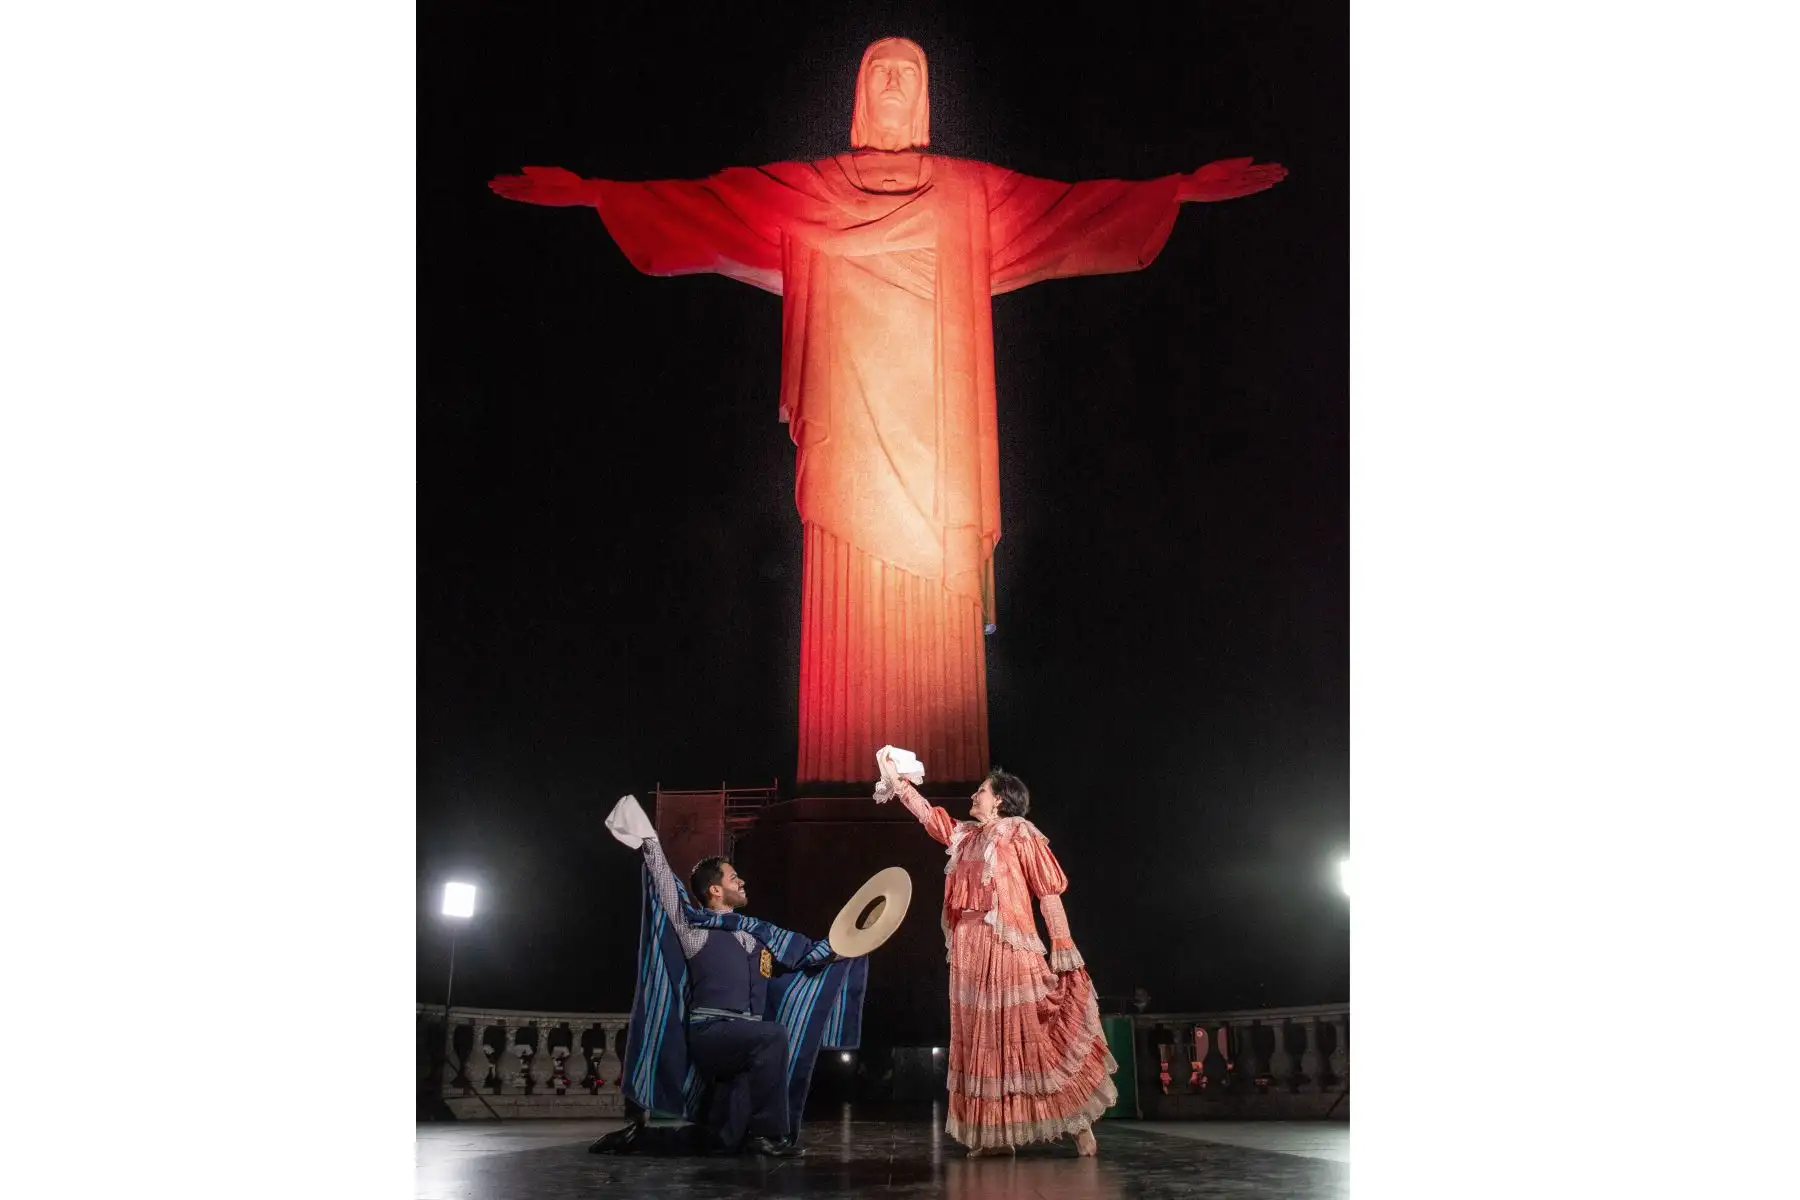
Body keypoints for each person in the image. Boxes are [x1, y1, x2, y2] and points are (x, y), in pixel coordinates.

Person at [489, 37, 1285, 786]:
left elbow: (1071, 212)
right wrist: (598, 195)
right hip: (848, 431)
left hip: (940, 444)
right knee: (843, 591)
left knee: (937, 621)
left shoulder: (973, 191)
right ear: (859, 97)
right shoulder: (810, 189)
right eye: (882, 71)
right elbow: (705, 206)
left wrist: (1173, 191)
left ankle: (940, 774)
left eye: (910, 70)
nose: (896, 83)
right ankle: (839, 774)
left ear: (929, 97)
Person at [590, 795, 868, 1157]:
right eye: (734, 878)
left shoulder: (758, 933)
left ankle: (635, 1139)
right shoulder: (695, 930)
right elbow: (666, 888)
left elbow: (805, 956)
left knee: (722, 1141)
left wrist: (850, 943)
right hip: (712, 1033)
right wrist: (649, 841)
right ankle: (768, 1134)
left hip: (744, 1044)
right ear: (714, 890)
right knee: (773, 1037)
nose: (743, 882)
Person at [889, 768, 1115, 1156]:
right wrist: (897, 782)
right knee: (984, 1042)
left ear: (999, 799)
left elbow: (1047, 892)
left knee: (1030, 1033)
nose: (973, 796)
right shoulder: (966, 836)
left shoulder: (1019, 831)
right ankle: (995, 1136)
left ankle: (1078, 1123)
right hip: (969, 948)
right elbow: (930, 816)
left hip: (1009, 942)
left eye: (981, 791)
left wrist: (1061, 941)